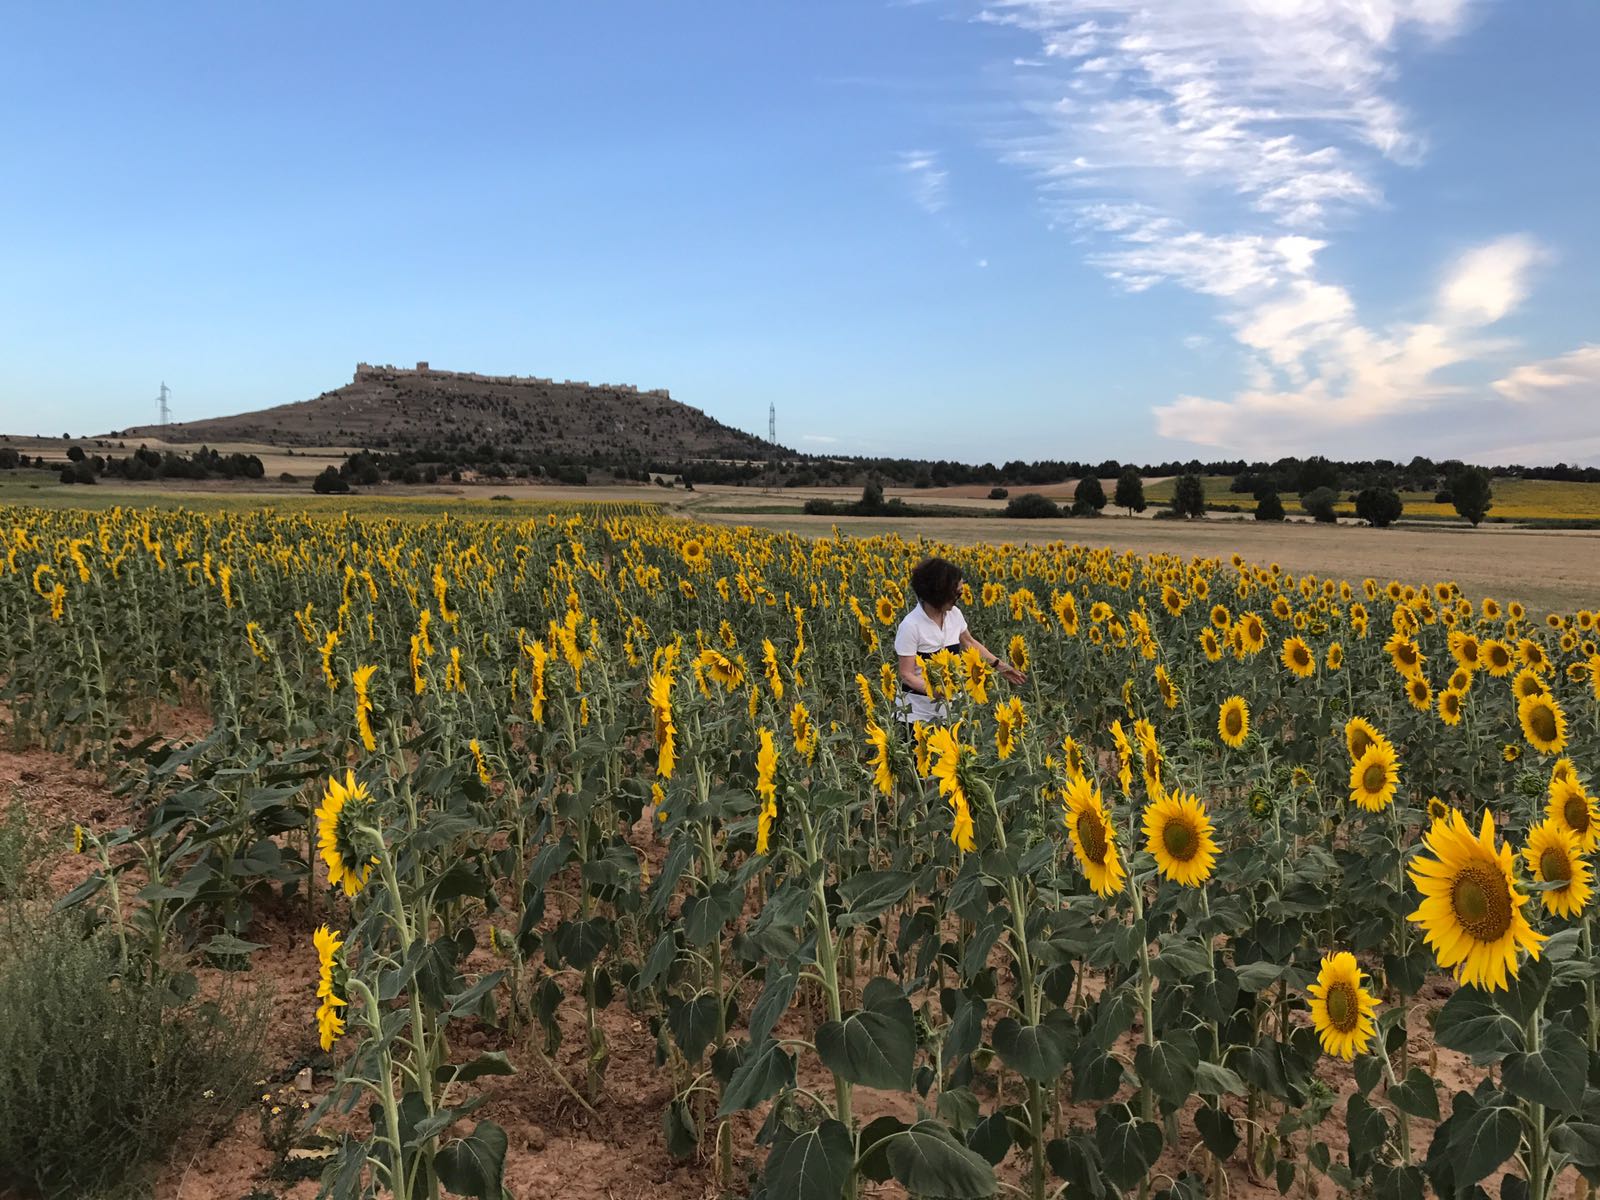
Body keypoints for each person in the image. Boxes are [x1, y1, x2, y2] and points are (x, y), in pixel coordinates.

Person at [893, 555, 1025, 725]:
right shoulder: (911, 626)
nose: (957, 599)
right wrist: (936, 691)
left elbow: (969, 642)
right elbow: (907, 674)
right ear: (938, 594)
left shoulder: (954, 615)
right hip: (917, 716)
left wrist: (999, 665)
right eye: (955, 594)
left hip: (951, 713)